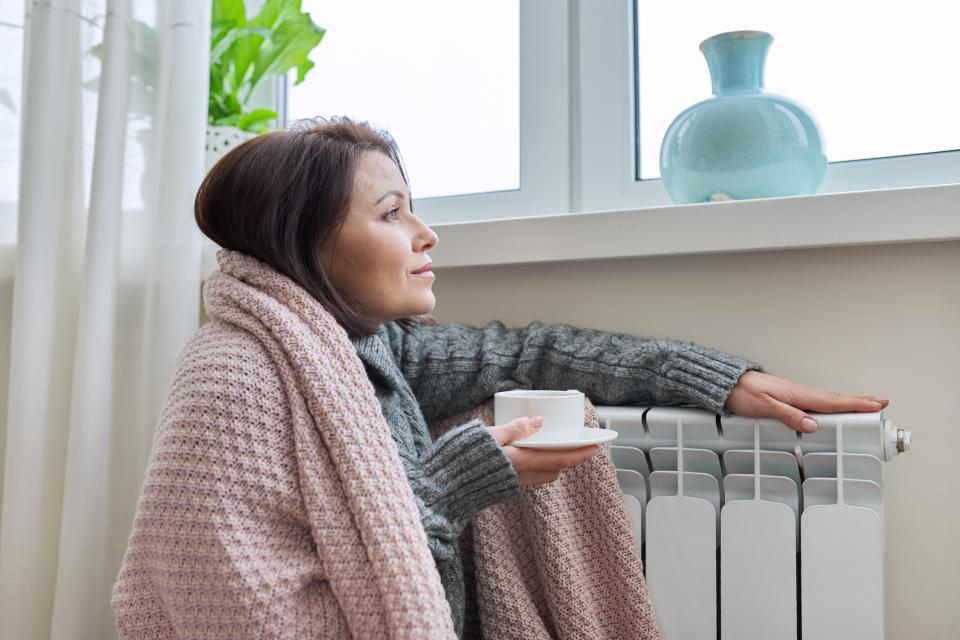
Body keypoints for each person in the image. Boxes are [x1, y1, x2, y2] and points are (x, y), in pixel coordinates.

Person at [111, 116, 890, 639]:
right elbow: (247, 618)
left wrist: (717, 381)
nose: (426, 234)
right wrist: (456, 481)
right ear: (305, 240)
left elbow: (527, 354)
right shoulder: (231, 375)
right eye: (391, 214)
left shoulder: (368, 350)